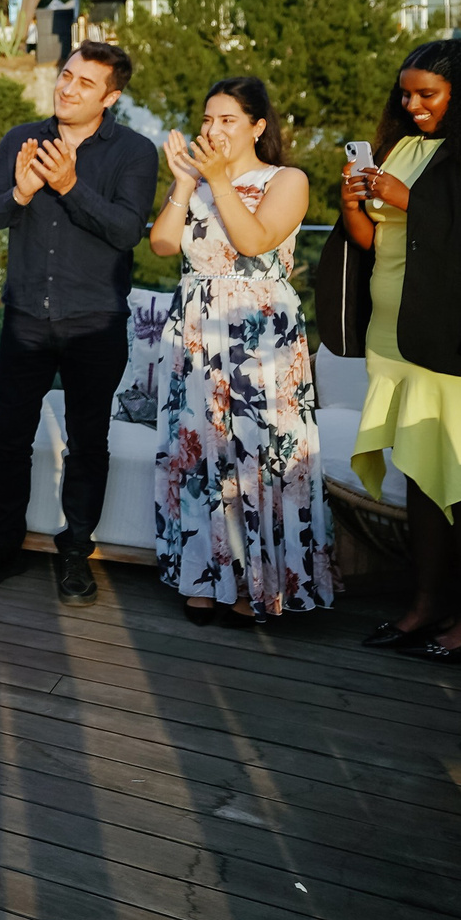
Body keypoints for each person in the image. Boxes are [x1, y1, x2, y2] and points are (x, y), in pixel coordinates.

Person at [317, 37, 461, 664]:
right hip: (396, 338)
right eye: (407, 93)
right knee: (418, 472)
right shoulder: (407, 150)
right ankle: (424, 606)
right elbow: (376, 243)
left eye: (428, 94)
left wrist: (402, 197)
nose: (412, 104)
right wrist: (353, 206)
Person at [0, 40, 158, 602]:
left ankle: (76, 552)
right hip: (26, 317)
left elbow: (128, 232)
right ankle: (3, 546)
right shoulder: (20, 139)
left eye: (85, 83)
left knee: (87, 443)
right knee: (9, 437)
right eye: (66, 75)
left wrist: (71, 186)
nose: (68, 89)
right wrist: (22, 191)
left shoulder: (134, 152)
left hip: (95, 322)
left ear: (112, 96)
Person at [146, 76, 331, 626]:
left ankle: (260, 584)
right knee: (202, 454)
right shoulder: (200, 182)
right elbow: (160, 245)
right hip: (197, 330)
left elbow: (253, 241)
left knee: (256, 456)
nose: (213, 129)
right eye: (207, 119)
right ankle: (205, 578)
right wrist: (183, 182)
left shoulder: (286, 179)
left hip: (259, 337)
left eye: (228, 119)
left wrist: (220, 179)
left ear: (257, 125)